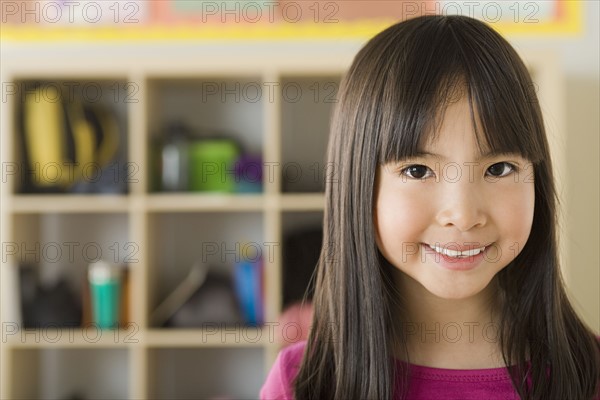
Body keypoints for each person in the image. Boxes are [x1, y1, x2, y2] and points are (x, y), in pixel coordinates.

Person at [260, 14, 600, 400]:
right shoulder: (303, 383)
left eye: (499, 168)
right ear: (358, 185)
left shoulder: (588, 375)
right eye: (418, 170)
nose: (463, 214)